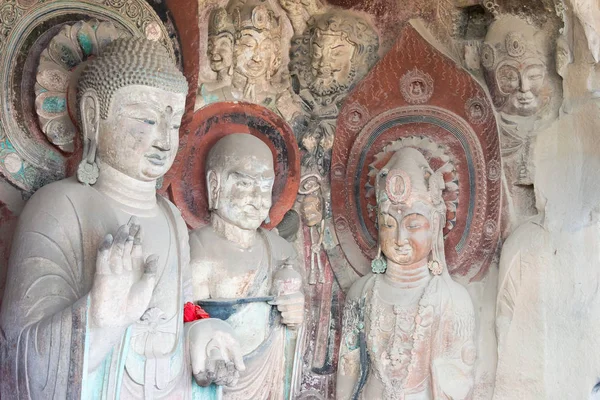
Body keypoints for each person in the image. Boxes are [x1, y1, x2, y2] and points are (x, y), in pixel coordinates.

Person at [0, 37, 243, 399]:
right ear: (94, 115)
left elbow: (180, 316)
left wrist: (200, 335)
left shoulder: (171, 218)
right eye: (146, 119)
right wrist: (99, 318)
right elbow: (19, 358)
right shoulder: (60, 206)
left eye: (172, 121)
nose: (164, 139)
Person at [337, 147, 476, 400]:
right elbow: (349, 365)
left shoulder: (453, 299)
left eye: (413, 225)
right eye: (389, 225)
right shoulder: (362, 292)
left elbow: (460, 381)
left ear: (434, 225)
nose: (400, 238)